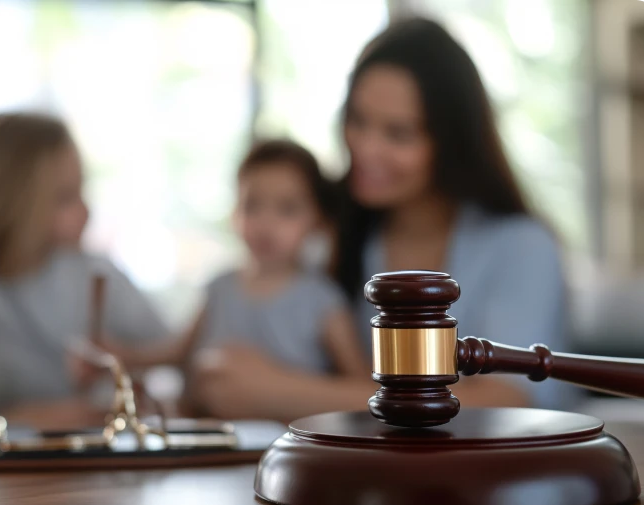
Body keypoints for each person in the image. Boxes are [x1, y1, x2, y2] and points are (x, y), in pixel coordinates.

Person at [189, 17, 578, 422]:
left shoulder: (522, 247)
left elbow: (507, 400)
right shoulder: (329, 233)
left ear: (451, 144)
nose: (365, 148)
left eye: (398, 133)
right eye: (358, 120)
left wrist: (277, 393)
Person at [0, 112, 168, 425]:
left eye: (81, 190)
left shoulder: (96, 276)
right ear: (14, 206)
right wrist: (21, 419)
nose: (86, 210)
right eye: (64, 198)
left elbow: (173, 353)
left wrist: (131, 365)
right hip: (7, 472)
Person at [110, 140, 368, 416]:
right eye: (252, 205)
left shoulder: (323, 301)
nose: (266, 223)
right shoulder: (219, 288)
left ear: (318, 219)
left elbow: (361, 386)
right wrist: (121, 357)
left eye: (287, 208)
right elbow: (177, 352)